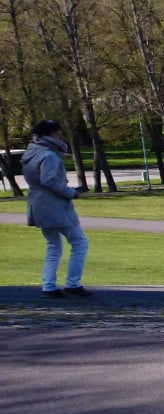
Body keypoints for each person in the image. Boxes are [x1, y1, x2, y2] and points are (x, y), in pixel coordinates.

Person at [21, 120, 88, 299]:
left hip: (38, 203)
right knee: (79, 242)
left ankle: (49, 285)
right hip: (54, 205)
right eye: (57, 134)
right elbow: (49, 180)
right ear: (48, 135)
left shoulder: (31, 153)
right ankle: (73, 283)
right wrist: (70, 193)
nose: (60, 137)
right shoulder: (49, 155)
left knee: (53, 245)